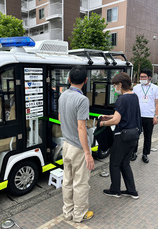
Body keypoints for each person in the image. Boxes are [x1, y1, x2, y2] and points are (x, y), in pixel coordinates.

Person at [58, 65, 95, 223]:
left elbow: (60, 118)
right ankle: (79, 215)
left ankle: (67, 212)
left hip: (65, 144)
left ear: (69, 79)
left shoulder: (63, 95)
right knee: (80, 183)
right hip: (79, 147)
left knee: (67, 181)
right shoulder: (82, 100)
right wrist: (88, 153)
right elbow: (81, 127)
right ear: (85, 81)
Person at [99, 72, 141, 199]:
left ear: (120, 84)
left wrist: (103, 123)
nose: (114, 88)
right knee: (125, 163)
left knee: (115, 163)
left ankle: (115, 190)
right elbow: (126, 115)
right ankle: (131, 190)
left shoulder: (121, 99)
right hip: (133, 135)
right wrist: (111, 116)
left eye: (115, 85)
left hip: (122, 136)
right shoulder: (134, 96)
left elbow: (116, 121)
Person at [131, 69, 158, 163]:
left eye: (144, 77)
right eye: (140, 77)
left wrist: (156, 116)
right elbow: (132, 101)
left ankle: (145, 154)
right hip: (137, 116)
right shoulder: (136, 88)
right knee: (135, 135)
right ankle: (134, 152)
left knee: (147, 136)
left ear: (149, 77)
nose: (142, 79)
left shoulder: (155, 88)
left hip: (149, 116)